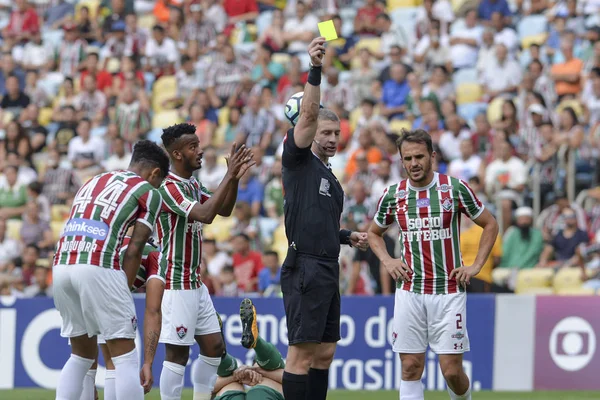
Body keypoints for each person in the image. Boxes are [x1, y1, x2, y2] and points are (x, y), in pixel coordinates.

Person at [367, 129, 499, 400]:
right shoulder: (393, 195)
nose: (414, 163)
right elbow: (373, 233)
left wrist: (475, 266)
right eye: (408, 158)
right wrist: (389, 260)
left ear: (432, 156)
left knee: (451, 371)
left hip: (448, 291)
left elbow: (490, 224)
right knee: (411, 366)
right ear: (401, 161)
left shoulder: (454, 188)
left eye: (419, 156)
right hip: (410, 291)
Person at [280, 37, 369, 400]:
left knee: (326, 352)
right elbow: (309, 114)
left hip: (328, 265)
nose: (333, 139)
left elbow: (321, 222)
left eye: (336, 133)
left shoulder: (328, 174)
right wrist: (315, 68)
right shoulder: (297, 159)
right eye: (325, 133)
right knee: (301, 355)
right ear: (310, 131)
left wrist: (346, 236)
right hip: (306, 267)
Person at [53, 140, 170, 400]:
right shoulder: (148, 191)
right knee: (126, 357)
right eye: (159, 181)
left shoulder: (92, 180)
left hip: (62, 264)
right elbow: (136, 247)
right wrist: (121, 290)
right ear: (155, 173)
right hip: (98, 265)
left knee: (80, 355)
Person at [157, 123, 255, 400]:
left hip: (194, 283)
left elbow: (223, 209)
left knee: (214, 348)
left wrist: (234, 178)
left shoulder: (192, 184)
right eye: (193, 147)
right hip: (176, 283)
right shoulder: (168, 186)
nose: (200, 151)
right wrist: (229, 173)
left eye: (199, 145)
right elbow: (205, 214)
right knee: (177, 354)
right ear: (177, 154)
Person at [81, 236, 164, 400]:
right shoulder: (155, 255)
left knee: (82, 360)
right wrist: (148, 363)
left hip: (77, 276)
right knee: (123, 362)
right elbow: (153, 310)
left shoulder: (111, 239)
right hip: (108, 292)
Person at [213, 298, 286, 400]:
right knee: (271, 374)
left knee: (230, 384)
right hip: (264, 392)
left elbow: (207, 389)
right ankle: (257, 343)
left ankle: (220, 353)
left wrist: (240, 375)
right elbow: (293, 379)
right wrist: (241, 375)